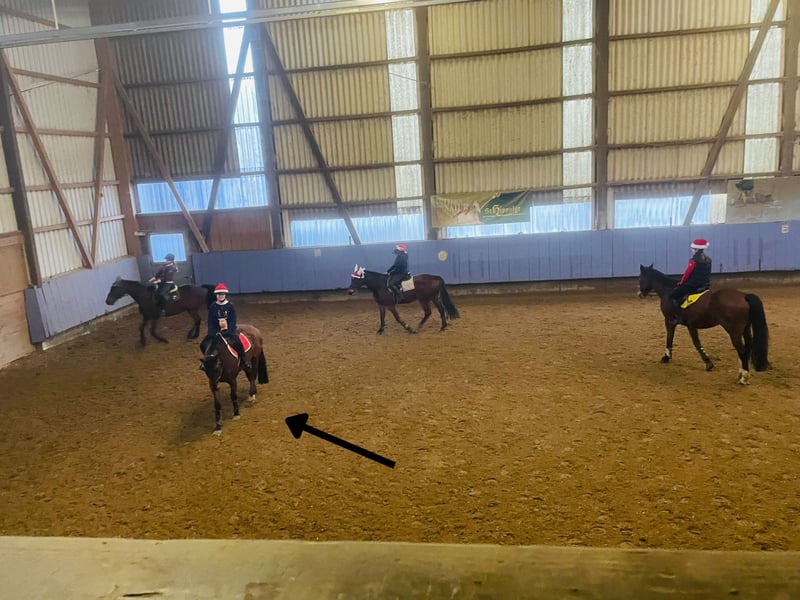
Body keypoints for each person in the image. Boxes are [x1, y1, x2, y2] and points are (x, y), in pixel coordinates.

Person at [203, 283, 250, 370]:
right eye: (218, 294)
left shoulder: (230, 306)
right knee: (203, 344)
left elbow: (233, 320)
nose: (220, 296)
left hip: (229, 331)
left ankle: (244, 359)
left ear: (225, 295)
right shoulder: (213, 306)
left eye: (222, 294)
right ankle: (207, 361)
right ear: (216, 295)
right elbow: (210, 321)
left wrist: (228, 331)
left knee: (238, 343)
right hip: (216, 331)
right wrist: (211, 331)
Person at [668, 238, 712, 325]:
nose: (692, 250)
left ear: (696, 249)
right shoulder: (709, 259)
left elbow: (687, 273)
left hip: (693, 285)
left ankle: (678, 317)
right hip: (705, 285)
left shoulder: (693, 260)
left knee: (673, 295)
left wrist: (681, 283)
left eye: (693, 249)